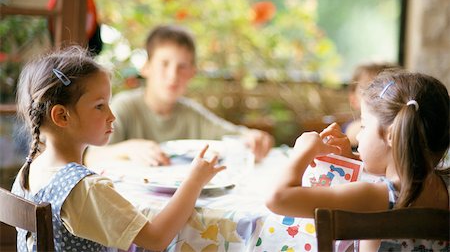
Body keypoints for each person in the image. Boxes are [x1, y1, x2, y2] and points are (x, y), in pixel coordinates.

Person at [11, 46, 226, 251]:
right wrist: (195, 181)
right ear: (62, 116)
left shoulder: (30, 169)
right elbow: (157, 238)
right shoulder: (85, 190)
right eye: (100, 106)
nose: (112, 116)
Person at [266, 70, 449, 251]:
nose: (359, 136)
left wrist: (303, 149)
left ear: (392, 135)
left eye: (364, 125)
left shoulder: (375, 198)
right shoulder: (444, 187)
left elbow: (278, 198)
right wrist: (351, 160)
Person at [84, 24, 274, 167]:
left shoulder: (191, 114)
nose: (173, 75)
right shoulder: (124, 106)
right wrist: (129, 148)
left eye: (182, 67)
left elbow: (237, 135)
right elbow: (91, 156)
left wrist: (253, 137)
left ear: (192, 72)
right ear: (146, 67)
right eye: (164, 64)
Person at [344, 62, 398, 148]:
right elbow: (350, 134)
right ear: (354, 100)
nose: (381, 97)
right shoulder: (354, 126)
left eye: (388, 91)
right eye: (369, 90)